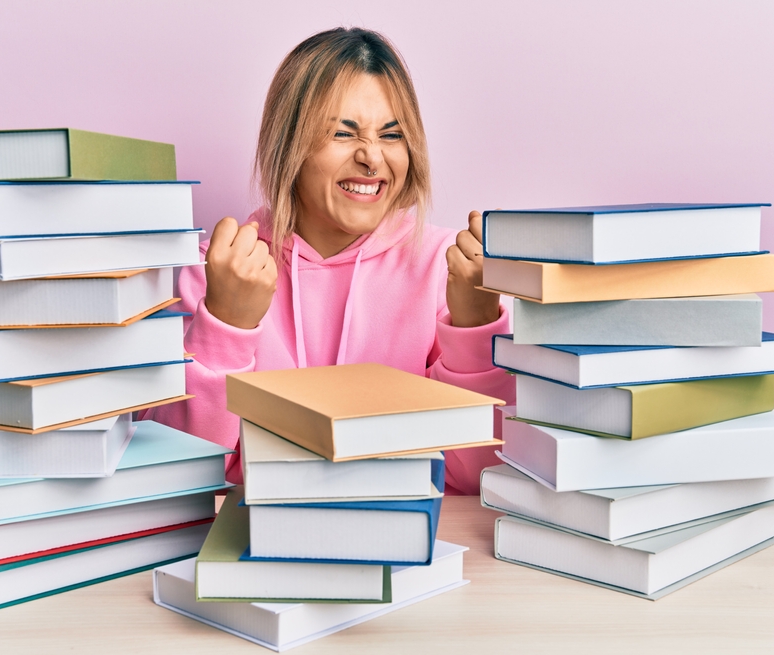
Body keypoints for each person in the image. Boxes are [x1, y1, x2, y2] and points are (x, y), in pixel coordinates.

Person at [143, 27, 515, 494]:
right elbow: (180, 482)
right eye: (344, 133)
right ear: (288, 145)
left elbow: (476, 478)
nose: (372, 158)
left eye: (391, 134)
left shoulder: (448, 269)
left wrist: (476, 328)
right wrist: (225, 325)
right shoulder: (218, 272)